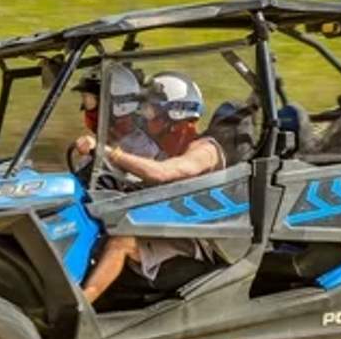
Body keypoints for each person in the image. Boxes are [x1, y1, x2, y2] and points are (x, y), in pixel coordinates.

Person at [76, 72, 226, 304]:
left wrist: (107, 152)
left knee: (122, 240)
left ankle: (81, 307)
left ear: (177, 116)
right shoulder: (163, 149)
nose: (145, 121)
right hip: (167, 227)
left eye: (152, 113)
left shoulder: (205, 150)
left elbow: (163, 173)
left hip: (199, 237)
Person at [71, 62, 160, 160]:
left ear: (117, 105)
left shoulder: (142, 150)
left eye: (89, 101)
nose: (86, 110)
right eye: (84, 100)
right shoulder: (102, 143)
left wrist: (101, 150)